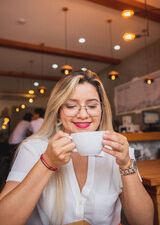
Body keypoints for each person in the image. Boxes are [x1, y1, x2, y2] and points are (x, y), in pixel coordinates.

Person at [0, 70, 154, 225]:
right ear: (59, 111)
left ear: (102, 110)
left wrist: (127, 165)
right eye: (71, 105)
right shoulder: (34, 148)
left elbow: (144, 221)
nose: (83, 114)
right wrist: (47, 162)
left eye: (92, 106)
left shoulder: (118, 152)